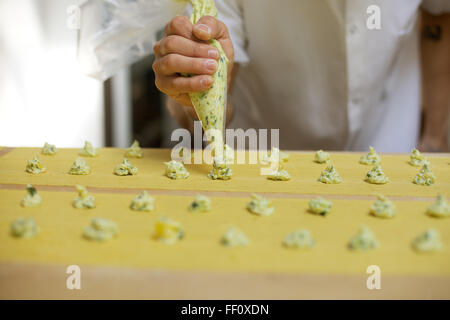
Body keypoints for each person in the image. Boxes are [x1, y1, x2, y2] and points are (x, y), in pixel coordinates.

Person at [152, 0, 450, 152]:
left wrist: (434, 137)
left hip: (390, 147)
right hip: (262, 163)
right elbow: (203, 94)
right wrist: (197, 93)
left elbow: (439, 12)